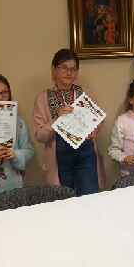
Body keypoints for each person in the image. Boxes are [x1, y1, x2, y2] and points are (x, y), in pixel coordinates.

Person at [33, 49, 105, 195]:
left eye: (73, 69)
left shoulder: (85, 93)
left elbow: (98, 120)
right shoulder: (43, 98)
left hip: (86, 154)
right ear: (54, 70)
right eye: (64, 68)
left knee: (89, 198)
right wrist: (56, 120)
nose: (69, 72)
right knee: (65, 199)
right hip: (59, 158)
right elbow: (39, 135)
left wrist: (94, 130)